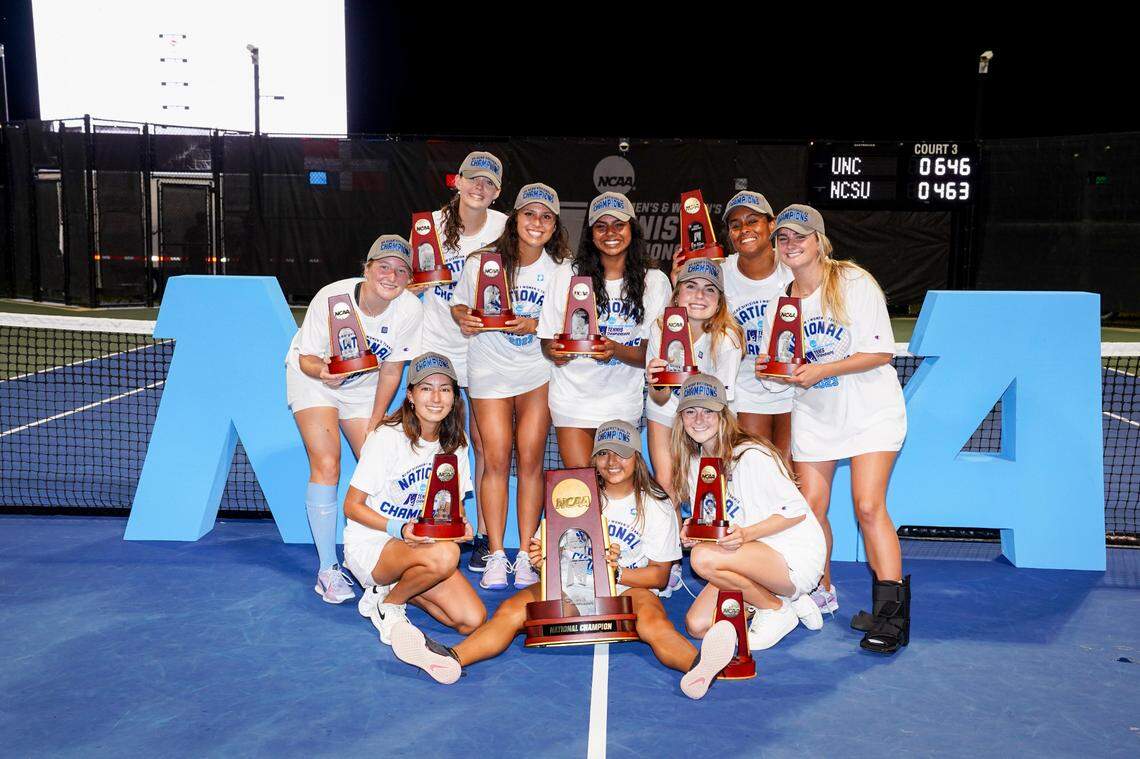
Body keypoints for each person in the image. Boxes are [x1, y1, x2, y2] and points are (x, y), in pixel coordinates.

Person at [389, 420, 745, 700]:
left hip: (626, 589)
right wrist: (540, 559)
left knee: (653, 623)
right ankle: (450, 660)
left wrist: (616, 570)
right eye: (604, 453)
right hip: (571, 589)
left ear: (638, 458)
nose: (612, 462)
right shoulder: (573, 494)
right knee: (511, 613)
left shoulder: (657, 505)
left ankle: (698, 668)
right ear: (594, 459)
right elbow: (551, 557)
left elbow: (658, 576)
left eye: (622, 453)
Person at [758, 204, 909, 654]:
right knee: (809, 508)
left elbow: (880, 353)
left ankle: (891, 615)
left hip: (870, 411)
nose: (791, 245)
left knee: (867, 506)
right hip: (817, 415)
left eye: (800, 237)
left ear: (820, 240)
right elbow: (783, 363)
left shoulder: (853, 282)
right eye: (783, 239)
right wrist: (782, 372)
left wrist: (820, 369)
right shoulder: (782, 302)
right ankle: (818, 588)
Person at [286, 235, 422, 603]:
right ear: (367, 268)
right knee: (328, 464)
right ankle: (328, 568)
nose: (391, 276)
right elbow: (306, 359)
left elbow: (393, 371)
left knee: (380, 467)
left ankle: (378, 559)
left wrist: (377, 422)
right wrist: (325, 374)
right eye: (384, 267)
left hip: (365, 389)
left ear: (409, 278)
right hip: (315, 379)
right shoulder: (333, 298)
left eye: (401, 271)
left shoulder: (409, 309)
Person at [451, 183, 572, 591]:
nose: (536, 223)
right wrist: (464, 316)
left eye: (546, 217)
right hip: (489, 370)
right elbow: (460, 303)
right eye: (529, 214)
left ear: (554, 226)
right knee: (497, 460)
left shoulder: (562, 269)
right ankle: (497, 554)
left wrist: (536, 324)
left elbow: (570, 321)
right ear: (515, 219)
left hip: (537, 372)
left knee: (533, 460)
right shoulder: (483, 262)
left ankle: (525, 554)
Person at [671, 374, 827, 651]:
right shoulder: (697, 463)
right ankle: (784, 598)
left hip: (791, 556)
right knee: (698, 626)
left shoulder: (751, 454)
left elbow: (796, 513)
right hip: (747, 558)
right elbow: (717, 519)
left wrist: (745, 534)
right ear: (681, 418)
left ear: (724, 415)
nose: (699, 419)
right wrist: (693, 529)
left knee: (703, 559)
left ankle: (775, 608)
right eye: (690, 411)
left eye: (708, 411)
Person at [345, 352, 487, 656]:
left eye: (445, 389)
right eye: (426, 388)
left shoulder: (455, 441)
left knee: (472, 619)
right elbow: (351, 506)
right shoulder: (386, 437)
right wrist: (400, 528)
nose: (436, 397)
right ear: (410, 395)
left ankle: (396, 588)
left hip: (419, 548)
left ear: (454, 397)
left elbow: (453, 506)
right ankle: (389, 604)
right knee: (447, 555)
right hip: (374, 545)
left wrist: (462, 525)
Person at [417, 151, 508, 574]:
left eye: (489, 183)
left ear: (498, 191)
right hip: (437, 345)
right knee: (440, 441)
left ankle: (487, 538)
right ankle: (435, 521)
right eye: (473, 179)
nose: (480, 188)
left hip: (486, 349)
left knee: (486, 445)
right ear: (457, 181)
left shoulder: (505, 227)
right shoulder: (429, 226)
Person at [537, 192, 672, 467]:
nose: (610, 233)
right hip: (571, 400)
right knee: (582, 486)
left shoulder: (655, 281)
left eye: (618, 225)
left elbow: (653, 354)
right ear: (591, 234)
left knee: (614, 486)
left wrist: (615, 349)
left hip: (622, 403)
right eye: (601, 226)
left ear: (632, 229)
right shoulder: (566, 276)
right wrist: (556, 352)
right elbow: (546, 340)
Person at [645, 258, 743, 508]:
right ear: (677, 295)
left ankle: (709, 541)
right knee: (667, 485)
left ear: (720, 301)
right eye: (691, 286)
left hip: (712, 416)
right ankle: (670, 547)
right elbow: (660, 398)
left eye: (710, 289)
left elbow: (721, 407)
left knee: (710, 482)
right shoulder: (660, 327)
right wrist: (657, 382)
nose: (699, 295)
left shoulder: (727, 338)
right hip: (667, 409)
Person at [719, 191, 795, 459]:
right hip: (746, 391)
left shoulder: (794, 267)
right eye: (736, 225)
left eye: (753, 221)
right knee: (755, 467)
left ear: (771, 225)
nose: (744, 230)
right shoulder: (720, 273)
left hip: (797, 389)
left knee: (789, 476)